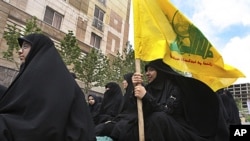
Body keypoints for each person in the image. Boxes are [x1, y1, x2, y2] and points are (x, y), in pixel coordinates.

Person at [0, 33, 96, 141]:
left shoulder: (46, 77)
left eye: (25, 46)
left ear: (39, 49)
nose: (20, 51)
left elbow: (42, 125)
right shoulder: (35, 73)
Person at [110, 59, 228, 141]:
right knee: (123, 127)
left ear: (160, 71)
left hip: (174, 127)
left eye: (151, 70)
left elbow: (166, 111)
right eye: (146, 70)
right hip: (151, 125)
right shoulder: (148, 88)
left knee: (157, 118)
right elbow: (134, 109)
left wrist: (146, 97)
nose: (147, 73)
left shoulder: (174, 87)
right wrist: (134, 87)